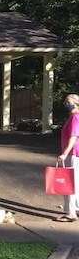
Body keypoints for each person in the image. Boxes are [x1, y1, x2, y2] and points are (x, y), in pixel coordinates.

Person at [55, 93, 79, 222]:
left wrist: (65, 153)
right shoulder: (73, 117)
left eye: (68, 101)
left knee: (69, 182)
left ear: (76, 103)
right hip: (75, 153)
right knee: (76, 182)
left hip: (73, 153)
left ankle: (71, 213)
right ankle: (76, 208)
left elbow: (74, 136)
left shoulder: (76, 117)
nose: (66, 103)